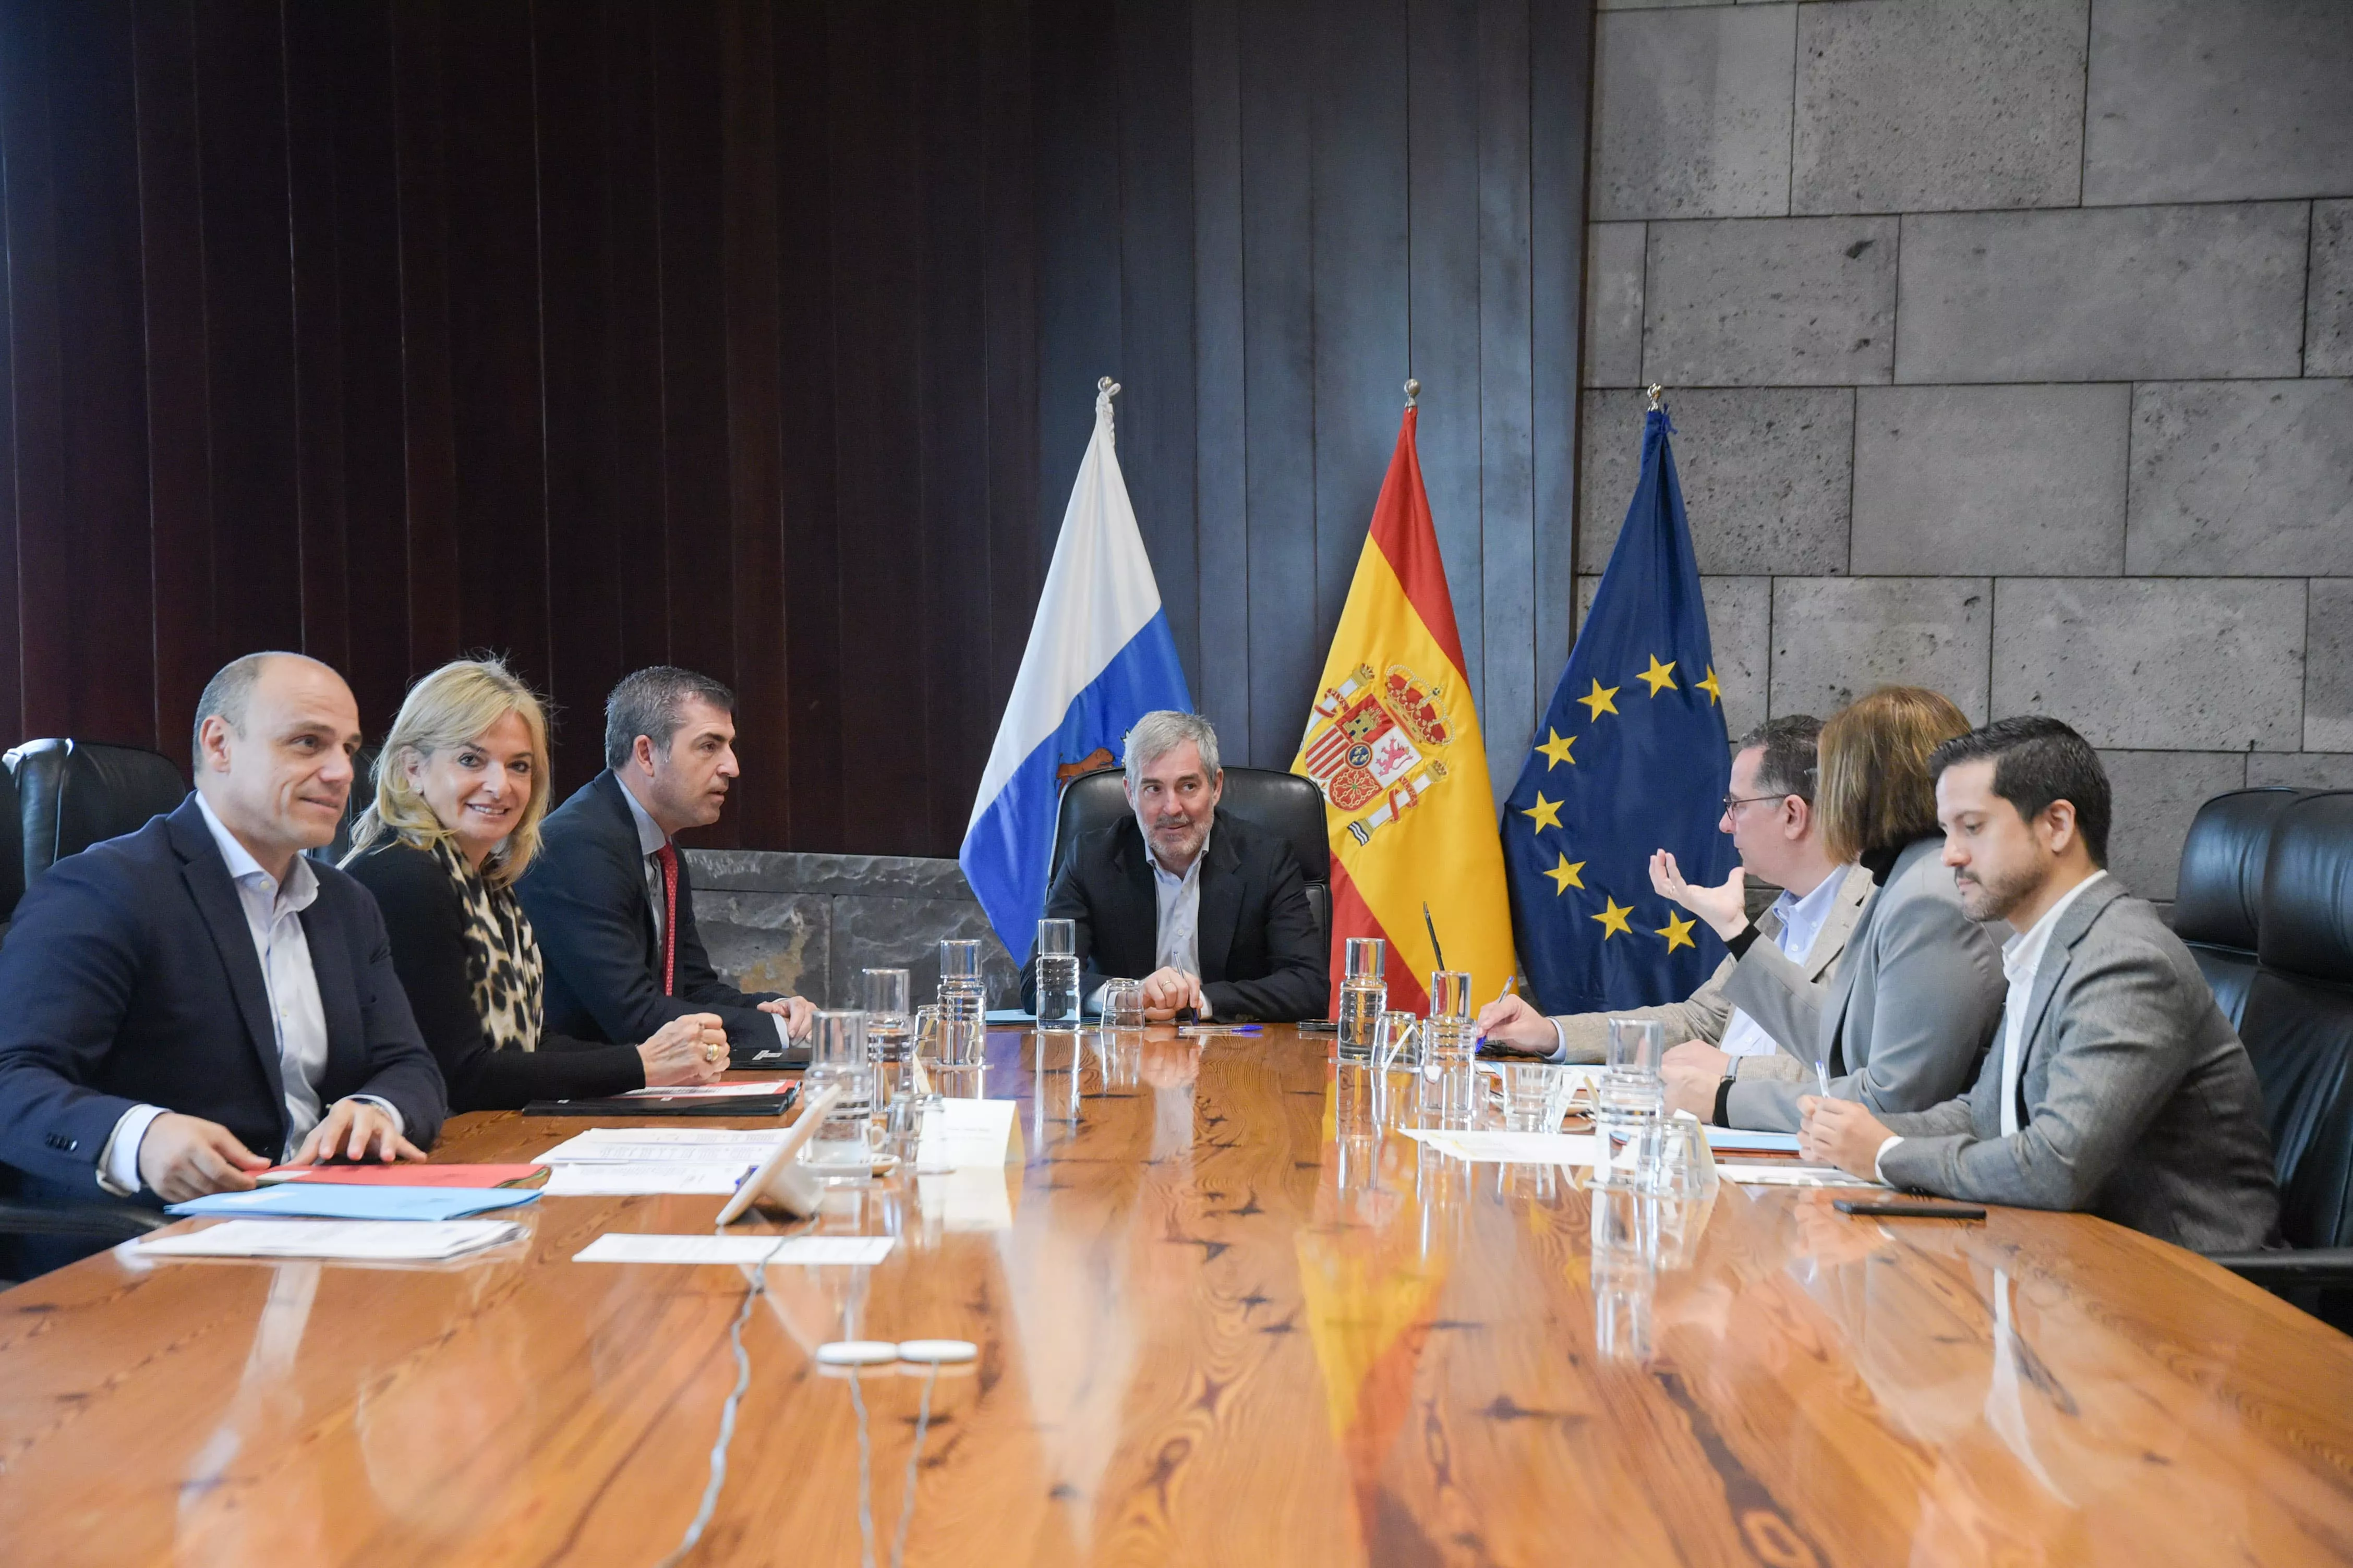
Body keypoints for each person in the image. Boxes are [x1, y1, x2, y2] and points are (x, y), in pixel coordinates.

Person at [0, 653, 447, 1270]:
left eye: (347, 747)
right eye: (308, 743)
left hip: (327, 1239)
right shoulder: (102, 890)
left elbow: (410, 1065)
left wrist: (375, 1112)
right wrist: (137, 1134)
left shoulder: (347, 903)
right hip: (146, 1257)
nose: (343, 771)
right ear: (219, 744)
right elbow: (13, 1080)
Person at [1801, 718, 2280, 1253]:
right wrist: (1857, 1129)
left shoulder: (2125, 961)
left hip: (2189, 1298)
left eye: (1971, 828)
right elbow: (1984, 1115)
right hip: (2071, 1267)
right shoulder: (2049, 946)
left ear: (2055, 825)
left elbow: (2056, 1167)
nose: (1949, 855)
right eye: (1947, 830)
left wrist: (1885, 1152)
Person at [343, 660, 733, 1112]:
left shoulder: (487, 877)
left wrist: (659, 1063)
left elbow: (532, 1041)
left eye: (519, 766)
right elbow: (460, 1074)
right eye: (471, 760)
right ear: (412, 767)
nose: (499, 785)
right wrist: (641, 1065)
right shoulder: (404, 876)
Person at [1655, 687, 2005, 1133]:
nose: (1821, 799)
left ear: (1868, 785)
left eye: (1831, 776)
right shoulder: (1904, 876)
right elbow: (1839, 1041)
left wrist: (1725, 1096)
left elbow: (1888, 1100)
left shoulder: (1927, 893)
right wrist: (1736, 932)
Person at [1478, 715, 1874, 1067]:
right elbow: (1698, 1022)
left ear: (1792, 815)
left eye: (1736, 805)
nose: (1724, 824)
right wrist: (1551, 1033)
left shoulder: (1874, 916)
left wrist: (1724, 1079)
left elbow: (1843, 1067)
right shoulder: (1782, 913)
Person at [515, 667, 815, 1064]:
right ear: (646, 754)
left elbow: (689, 989)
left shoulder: (659, 847)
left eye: (728, 745)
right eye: (709, 746)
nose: (732, 766)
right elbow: (634, 1016)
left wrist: (775, 1008)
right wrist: (781, 1034)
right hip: (571, 1098)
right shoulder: (577, 845)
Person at [1018, 711, 1324, 1022]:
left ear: (1216, 787)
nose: (1172, 808)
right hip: (1121, 1057)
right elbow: (1039, 984)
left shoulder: (1267, 859)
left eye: (1188, 786)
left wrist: (1201, 1001)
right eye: (1153, 789)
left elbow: (1309, 986)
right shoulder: (1091, 858)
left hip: (1236, 1057)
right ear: (1130, 793)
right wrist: (1128, 996)